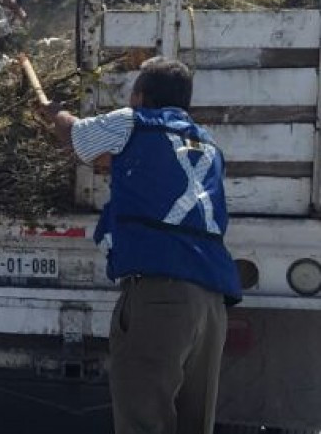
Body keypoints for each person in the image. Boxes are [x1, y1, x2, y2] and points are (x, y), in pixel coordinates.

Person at [40, 56, 241, 434]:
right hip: (211, 302)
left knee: (144, 422)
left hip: (159, 298)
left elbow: (77, 138)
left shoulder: (133, 122)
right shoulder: (208, 144)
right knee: (194, 425)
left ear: (141, 96)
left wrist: (56, 114)